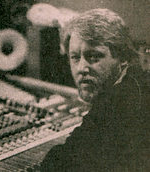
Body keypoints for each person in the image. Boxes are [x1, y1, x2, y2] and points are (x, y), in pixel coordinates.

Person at [40, 8, 150, 171]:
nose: (82, 68)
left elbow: (58, 163)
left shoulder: (119, 103)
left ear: (122, 58)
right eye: (75, 57)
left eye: (93, 57)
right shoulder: (135, 83)